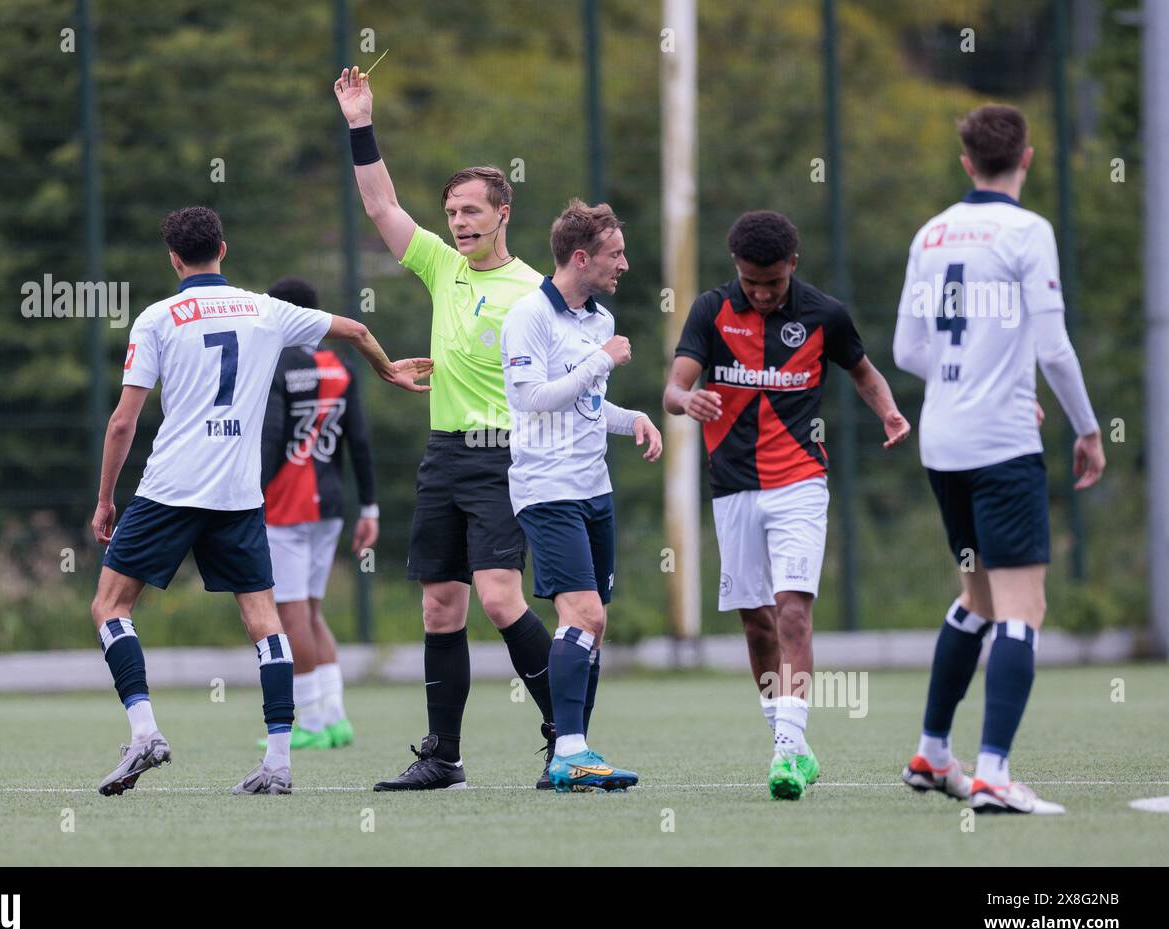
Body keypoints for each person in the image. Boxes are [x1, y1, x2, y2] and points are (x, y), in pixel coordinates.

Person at [90, 206, 430, 797]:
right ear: (224, 247)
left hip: (170, 487)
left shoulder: (157, 318)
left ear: (173, 258)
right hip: (238, 494)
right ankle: (278, 762)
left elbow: (123, 423)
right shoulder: (263, 309)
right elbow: (353, 329)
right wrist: (387, 372)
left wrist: (104, 502)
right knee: (264, 620)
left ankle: (144, 731)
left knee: (111, 606)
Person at [333, 65, 559, 791]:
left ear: (503, 214)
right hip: (444, 453)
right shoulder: (439, 263)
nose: (459, 222)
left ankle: (570, 734)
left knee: (499, 597)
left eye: (471, 211)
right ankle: (444, 757)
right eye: (452, 211)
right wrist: (361, 122)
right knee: (440, 605)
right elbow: (379, 202)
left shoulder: (535, 292)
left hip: (503, 457)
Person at [894, 104, 1104, 815]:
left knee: (977, 597)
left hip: (943, 441)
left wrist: (969, 380)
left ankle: (933, 752)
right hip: (1001, 444)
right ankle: (991, 773)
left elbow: (908, 352)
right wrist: (1088, 427)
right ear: (1029, 158)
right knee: (1024, 606)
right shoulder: (1027, 230)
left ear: (965, 163)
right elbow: (1054, 347)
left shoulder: (931, 233)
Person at [663, 210, 910, 800]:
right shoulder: (710, 311)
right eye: (752, 283)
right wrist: (684, 400)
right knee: (756, 624)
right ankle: (789, 739)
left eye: (773, 283)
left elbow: (864, 372)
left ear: (792, 265)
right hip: (734, 487)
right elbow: (674, 387)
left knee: (793, 612)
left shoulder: (825, 314)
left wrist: (891, 411)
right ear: (737, 270)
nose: (764, 293)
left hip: (800, 481)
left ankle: (789, 748)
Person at [501, 200, 661, 792]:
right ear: (580, 257)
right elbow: (532, 398)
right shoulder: (528, 316)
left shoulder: (599, 321)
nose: (624, 264)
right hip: (547, 487)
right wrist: (601, 361)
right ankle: (568, 750)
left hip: (595, 488)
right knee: (584, 615)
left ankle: (574, 754)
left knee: (595, 625)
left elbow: (585, 404)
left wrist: (633, 418)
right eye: (615, 254)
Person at [254, 277, 375, 752]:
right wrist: (371, 505)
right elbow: (359, 442)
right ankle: (335, 716)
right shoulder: (340, 367)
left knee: (290, 613)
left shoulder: (278, 364)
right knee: (313, 610)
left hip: (286, 505)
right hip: (331, 503)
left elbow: (271, 437)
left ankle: (309, 720)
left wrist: (252, 491)